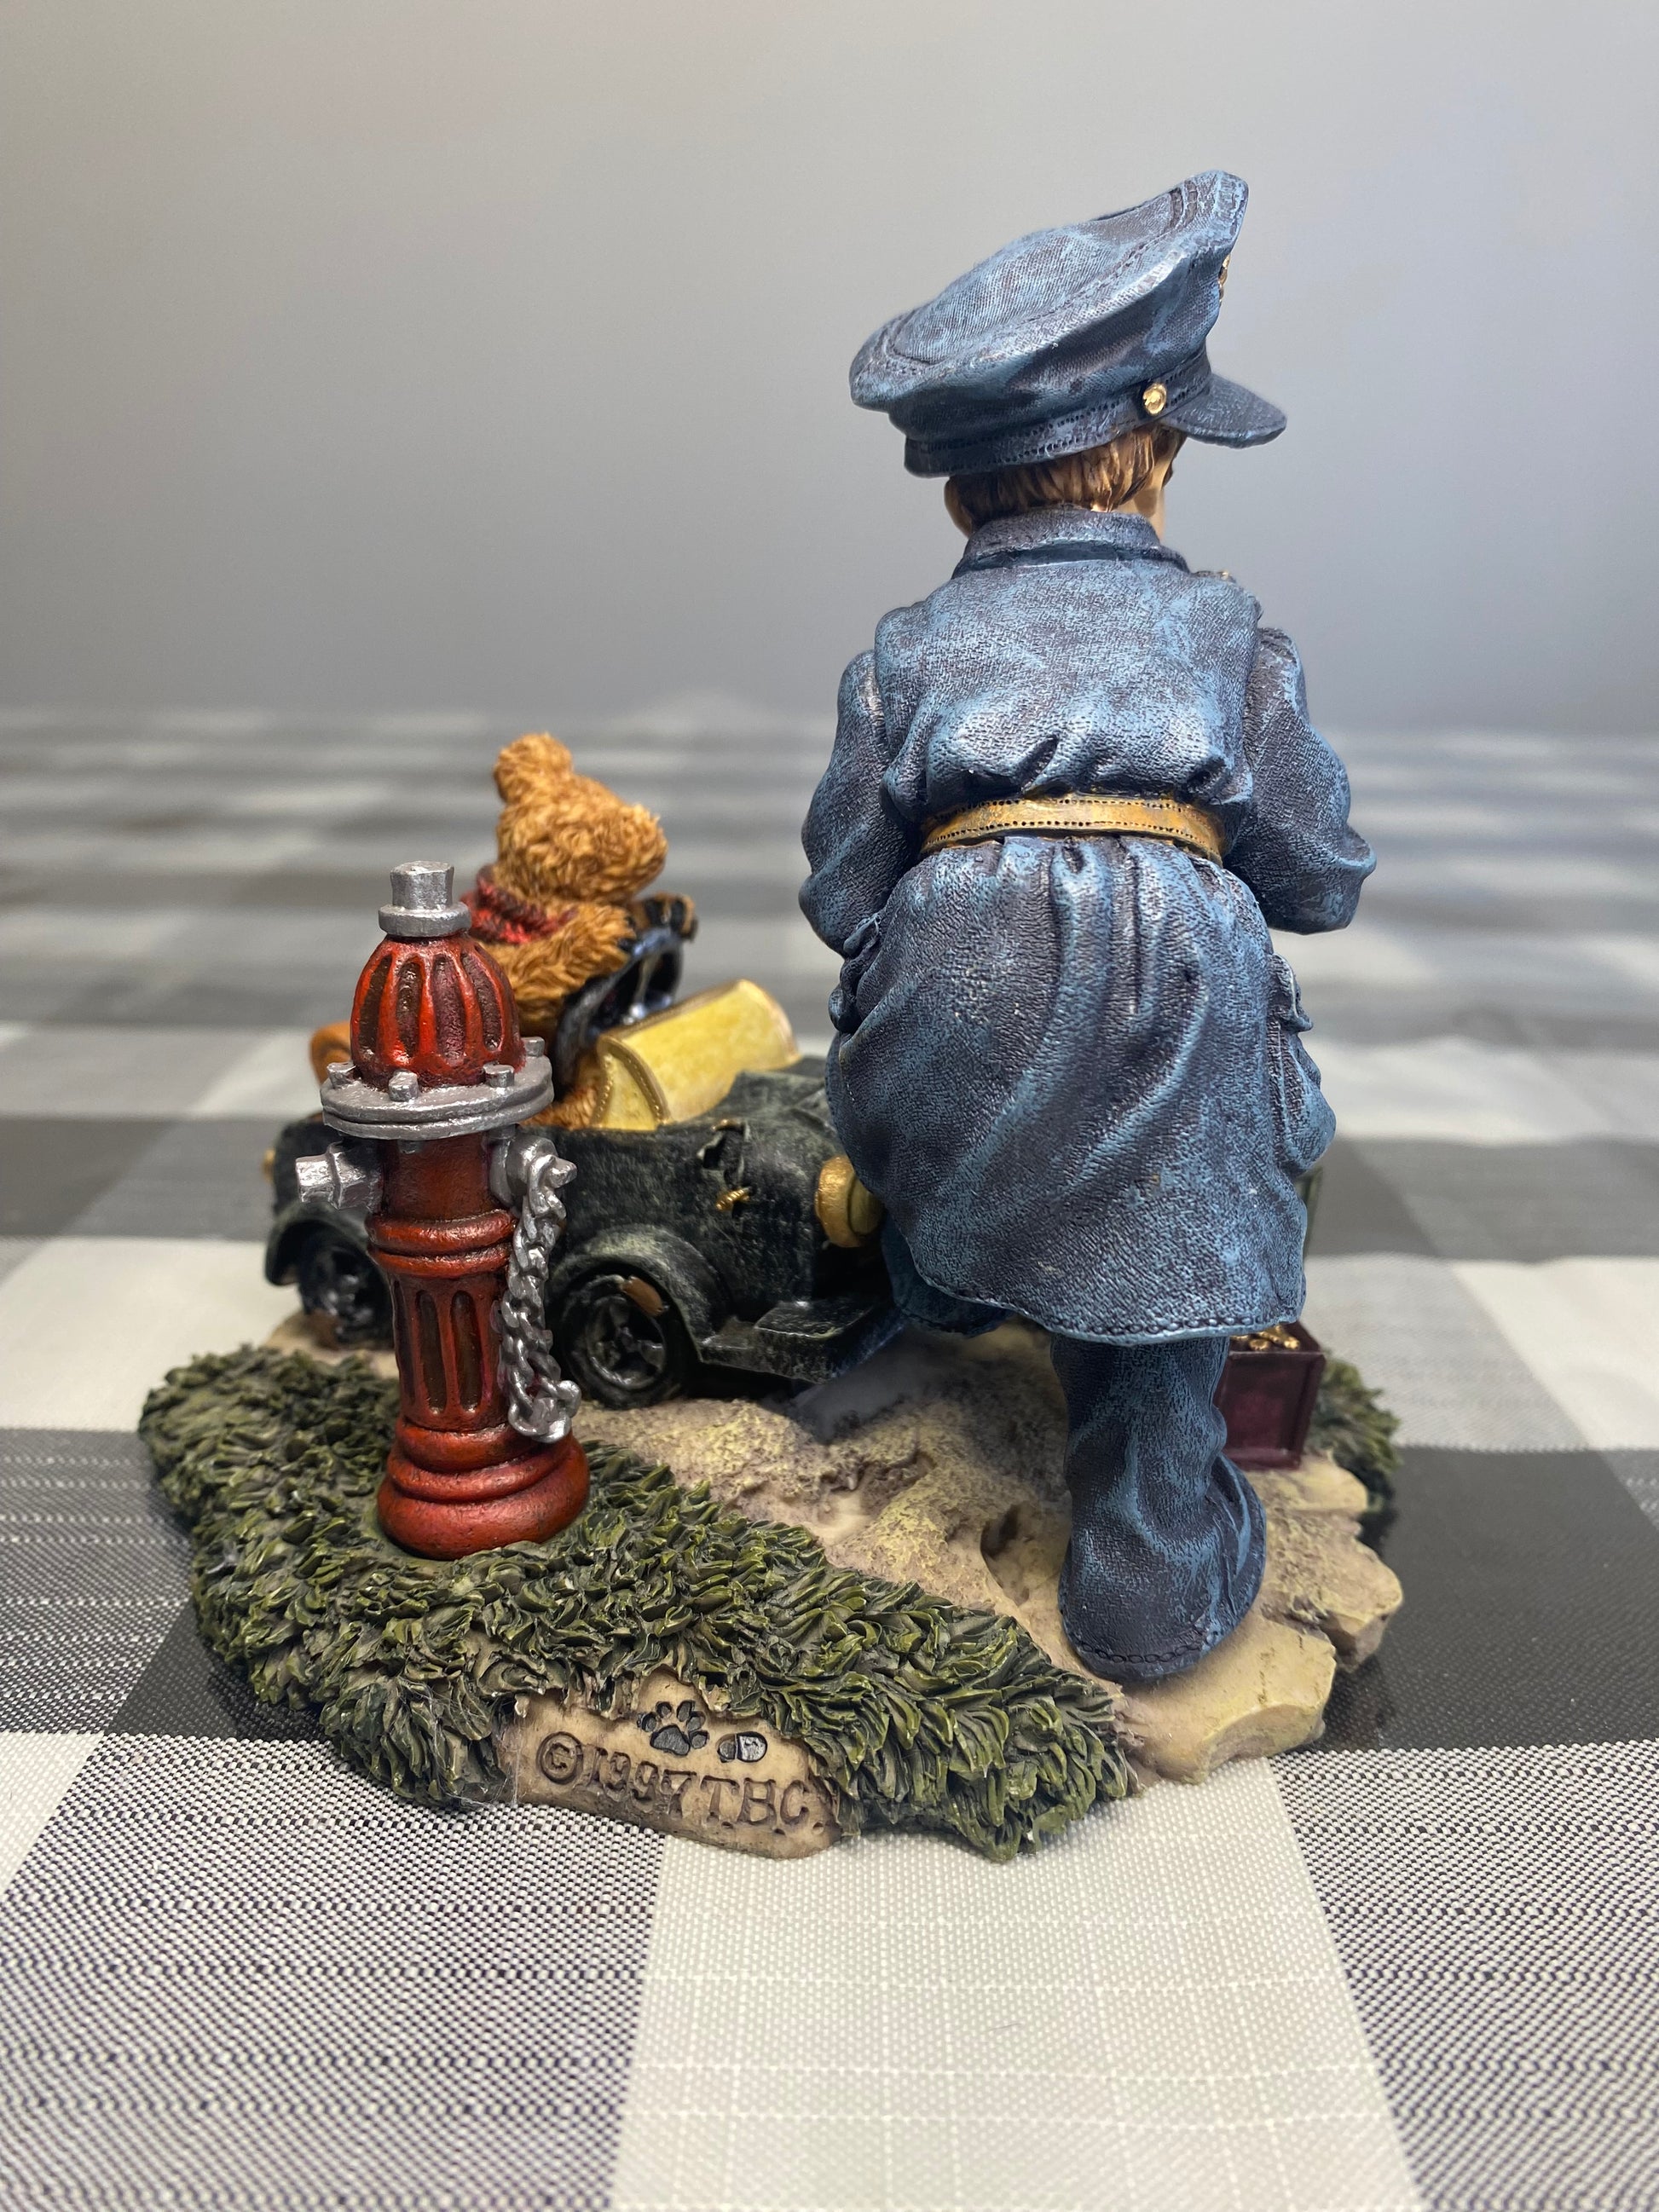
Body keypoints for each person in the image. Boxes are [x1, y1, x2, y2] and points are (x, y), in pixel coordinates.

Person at [801, 172, 1373, 1684]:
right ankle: (1144, 1577)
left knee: (937, 1149)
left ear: (955, 491)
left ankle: (953, 1278)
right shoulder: (1226, 636)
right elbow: (1319, 875)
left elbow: (842, 892)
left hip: (950, 1044)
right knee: (1157, 1293)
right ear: (1155, 461)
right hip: (1166, 1025)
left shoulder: (903, 652)